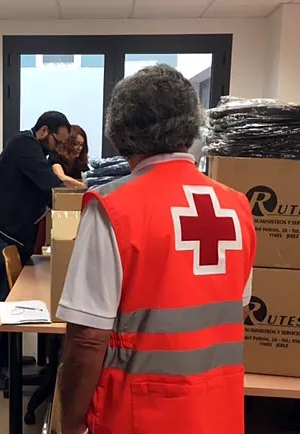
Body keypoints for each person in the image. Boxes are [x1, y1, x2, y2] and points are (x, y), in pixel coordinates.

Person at [57, 65, 256, 434]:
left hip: (140, 412)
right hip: (217, 411)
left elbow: (86, 339)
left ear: (120, 132)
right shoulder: (236, 206)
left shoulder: (112, 208)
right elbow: (236, 310)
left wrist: (68, 424)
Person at [0, 111, 70, 390]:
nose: (57, 148)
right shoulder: (23, 145)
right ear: (43, 132)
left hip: (8, 236)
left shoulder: (35, 153)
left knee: (4, 300)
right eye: (57, 142)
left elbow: (45, 194)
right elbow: (50, 188)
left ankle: (3, 358)